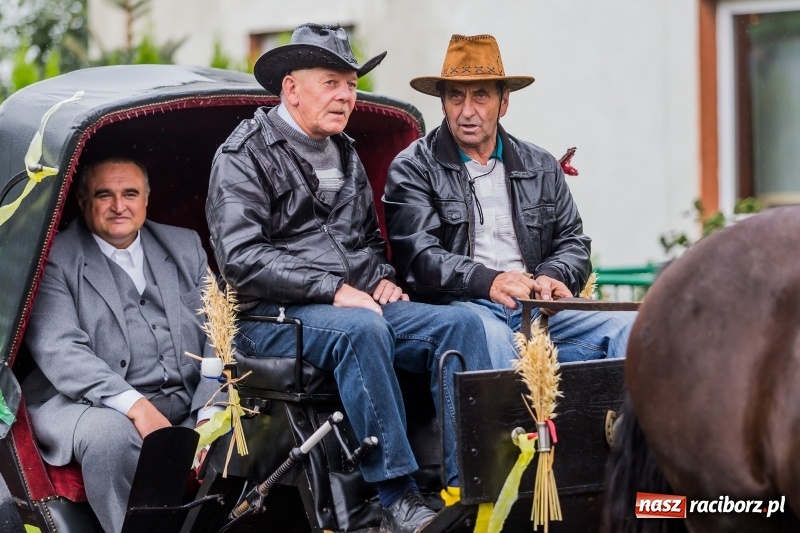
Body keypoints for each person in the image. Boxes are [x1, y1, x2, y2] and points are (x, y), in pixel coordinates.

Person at [207, 23, 493, 533]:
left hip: (351, 302)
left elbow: (365, 242)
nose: (345, 96)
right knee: (363, 330)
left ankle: (465, 487)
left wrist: (381, 276)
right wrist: (332, 289)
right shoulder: (242, 154)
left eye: (352, 85)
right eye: (331, 83)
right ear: (291, 89)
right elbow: (241, 258)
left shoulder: (346, 152)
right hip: (268, 317)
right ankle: (396, 495)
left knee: (460, 326)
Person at [384, 34, 636, 369]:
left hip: (536, 308)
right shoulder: (414, 167)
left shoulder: (541, 165)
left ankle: (609, 423)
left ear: (504, 103)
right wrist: (489, 281)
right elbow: (419, 259)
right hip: (464, 308)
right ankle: (513, 425)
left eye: (481, 96)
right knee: (488, 340)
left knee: (629, 329)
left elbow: (573, 242)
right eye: (456, 97)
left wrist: (552, 274)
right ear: (443, 103)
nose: (467, 111)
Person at [23, 157, 221, 533]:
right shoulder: (55, 258)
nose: (119, 206)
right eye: (104, 195)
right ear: (82, 202)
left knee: (255, 427)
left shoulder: (184, 245)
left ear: (146, 199)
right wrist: (136, 407)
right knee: (110, 439)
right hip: (86, 403)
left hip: (187, 398)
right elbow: (60, 349)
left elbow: (220, 331)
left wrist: (212, 410)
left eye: (130, 193)